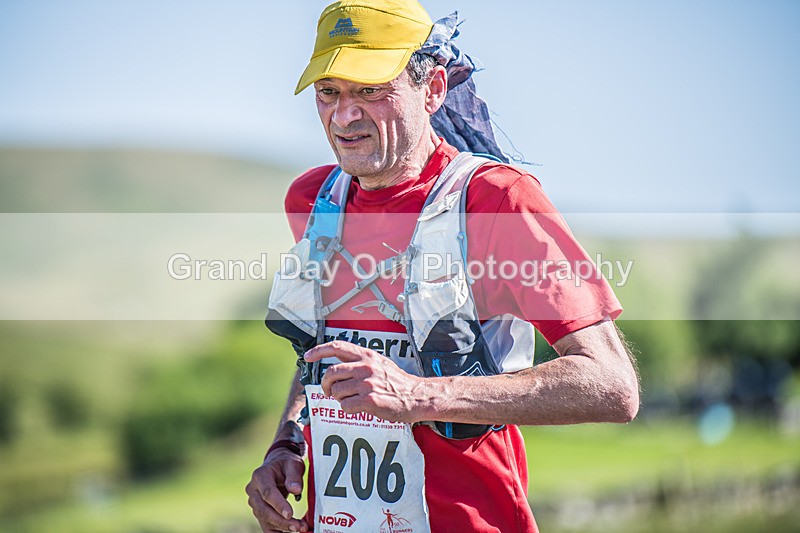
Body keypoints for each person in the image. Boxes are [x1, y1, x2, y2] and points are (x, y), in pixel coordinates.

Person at [247, 1, 640, 531]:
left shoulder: (496, 201)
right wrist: (287, 442)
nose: (343, 116)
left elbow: (611, 384)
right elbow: (325, 355)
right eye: (328, 91)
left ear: (432, 89)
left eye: (370, 90)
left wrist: (417, 395)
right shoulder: (314, 201)